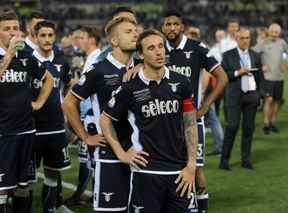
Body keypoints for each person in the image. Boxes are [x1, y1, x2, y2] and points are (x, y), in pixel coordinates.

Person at [100, 29, 198, 213]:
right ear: (141, 54)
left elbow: (190, 124)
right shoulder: (130, 88)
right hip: (146, 173)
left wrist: (191, 165)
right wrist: (122, 153)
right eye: (151, 48)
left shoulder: (182, 82)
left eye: (161, 46)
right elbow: (105, 119)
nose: (159, 52)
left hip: (180, 173)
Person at [0, 11, 53, 212]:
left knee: (24, 187)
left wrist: (38, 103)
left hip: (27, 131)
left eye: (15, 28)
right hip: (2, 134)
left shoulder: (27, 57)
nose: (12, 32)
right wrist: (9, 55)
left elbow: (49, 79)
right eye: (7, 29)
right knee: (0, 191)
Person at [62, 17, 139, 212]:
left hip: (141, 152)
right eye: (128, 31)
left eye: (135, 30)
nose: (135, 34)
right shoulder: (99, 70)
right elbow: (69, 102)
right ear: (114, 41)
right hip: (110, 154)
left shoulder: (144, 67)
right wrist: (86, 137)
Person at [161, 9, 228, 213]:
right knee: (167, 170)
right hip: (164, 122)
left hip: (191, 121)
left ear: (182, 27)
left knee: (197, 171)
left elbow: (222, 78)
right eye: (168, 24)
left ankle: (202, 209)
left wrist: (205, 106)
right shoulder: (157, 49)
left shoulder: (197, 48)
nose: (171, 28)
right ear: (163, 28)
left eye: (175, 24)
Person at [31, 20, 72, 212]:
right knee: (26, 178)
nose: (47, 39)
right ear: (35, 37)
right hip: (31, 126)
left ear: (55, 37)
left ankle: (49, 210)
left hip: (55, 126)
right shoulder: (27, 60)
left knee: (52, 175)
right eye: (43, 35)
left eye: (50, 35)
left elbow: (69, 85)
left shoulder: (62, 61)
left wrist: (66, 106)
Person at [64, 26, 101, 206]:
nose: (80, 40)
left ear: (91, 40)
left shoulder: (97, 59)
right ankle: (88, 195)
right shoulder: (91, 59)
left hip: (92, 116)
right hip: (87, 116)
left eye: (83, 37)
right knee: (87, 159)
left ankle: (95, 197)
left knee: (93, 161)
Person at [220, 28, 263, 170]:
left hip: (251, 96)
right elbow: (223, 75)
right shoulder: (228, 55)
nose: (245, 41)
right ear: (237, 39)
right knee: (232, 127)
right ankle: (224, 160)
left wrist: (258, 94)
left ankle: (246, 160)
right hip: (234, 96)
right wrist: (238, 72)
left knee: (248, 128)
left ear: (250, 39)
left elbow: (260, 77)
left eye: (247, 38)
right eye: (242, 38)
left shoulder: (256, 55)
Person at [252, 23, 288, 134]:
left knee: (276, 101)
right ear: (269, 31)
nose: (274, 34)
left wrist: (286, 65)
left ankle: (272, 122)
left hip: (279, 77)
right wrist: (261, 66)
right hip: (267, 77)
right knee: (269, 100)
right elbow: (252, 54)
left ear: (279, 33)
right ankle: (266, 124)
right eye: (272, 31)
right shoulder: (263, 43)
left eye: (276, 32)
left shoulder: (282, 43)